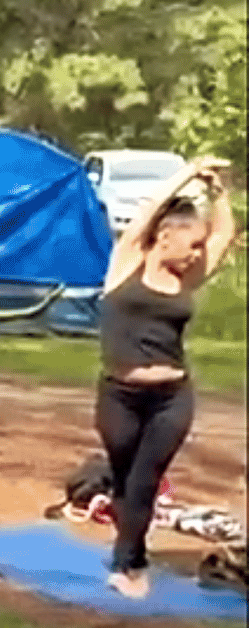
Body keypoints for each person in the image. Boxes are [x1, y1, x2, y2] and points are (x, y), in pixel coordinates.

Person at [96, 157, 234, 598]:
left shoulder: (186, 278)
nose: (196, 253)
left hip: (171, 397)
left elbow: (225, 235)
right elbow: (148, 209)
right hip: (118, 395)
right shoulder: (125, 264)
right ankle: (133, 553)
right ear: (165, 236)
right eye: (191, 243)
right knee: (124, 478)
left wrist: (218, 191)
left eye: (199, 247)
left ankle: (127, 566)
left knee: (145, 479)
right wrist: (189, 171)